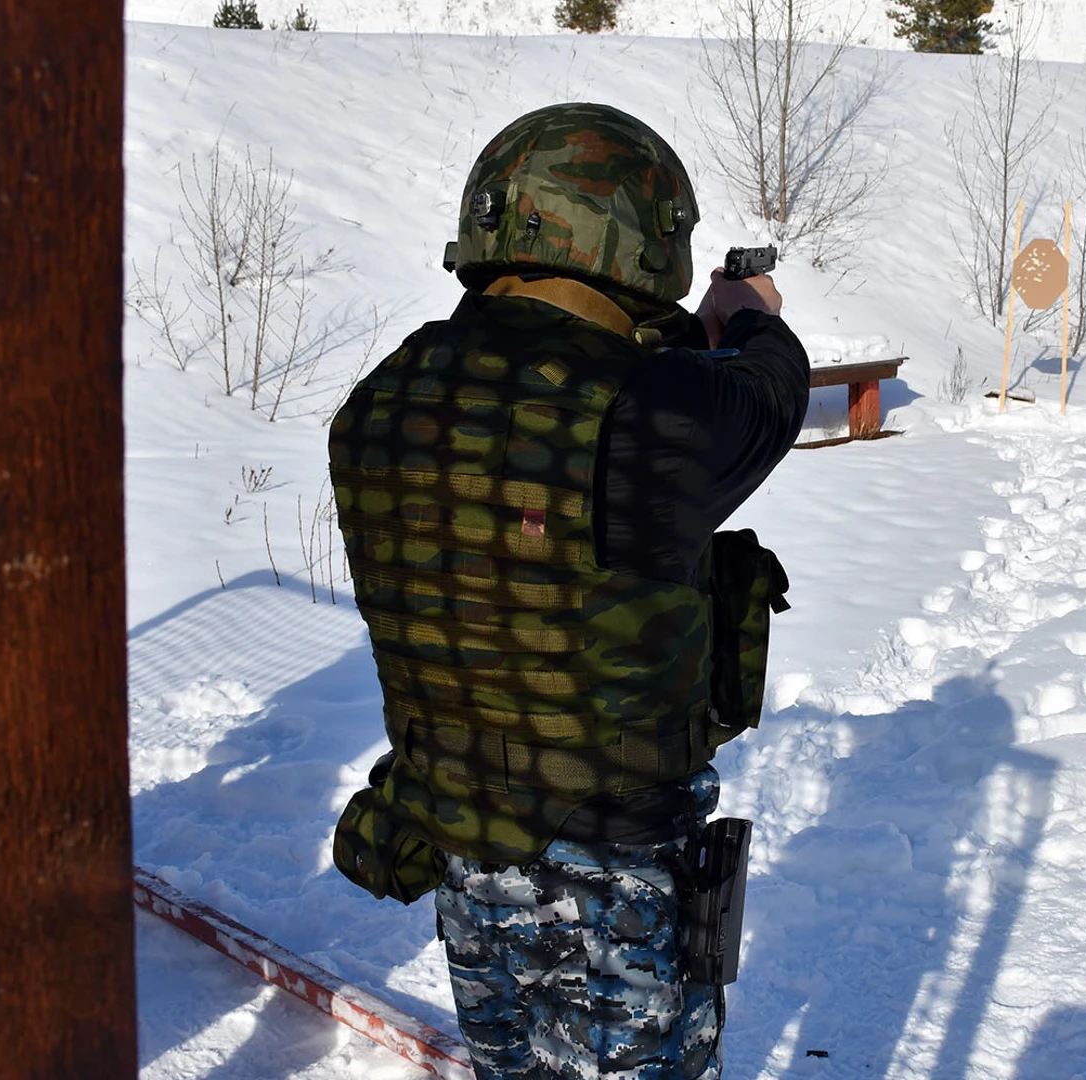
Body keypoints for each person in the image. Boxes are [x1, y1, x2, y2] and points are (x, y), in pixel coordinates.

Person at [326, 102, 809, 1078]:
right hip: (614, 871)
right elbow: (772, 391)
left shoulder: (385, 396)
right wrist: (746, 313)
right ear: (636, 241)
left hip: (470, 849)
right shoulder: (649, 413)